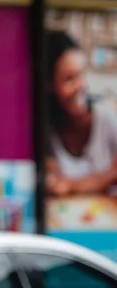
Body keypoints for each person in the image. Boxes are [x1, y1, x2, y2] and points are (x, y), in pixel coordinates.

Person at [45, 30, 117, 197]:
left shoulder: (105, 116)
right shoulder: (48, 130)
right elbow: (52, 184)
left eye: (82, 73)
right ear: (50, 84)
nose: (81, 85)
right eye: (70, 79)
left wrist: (72, 186)